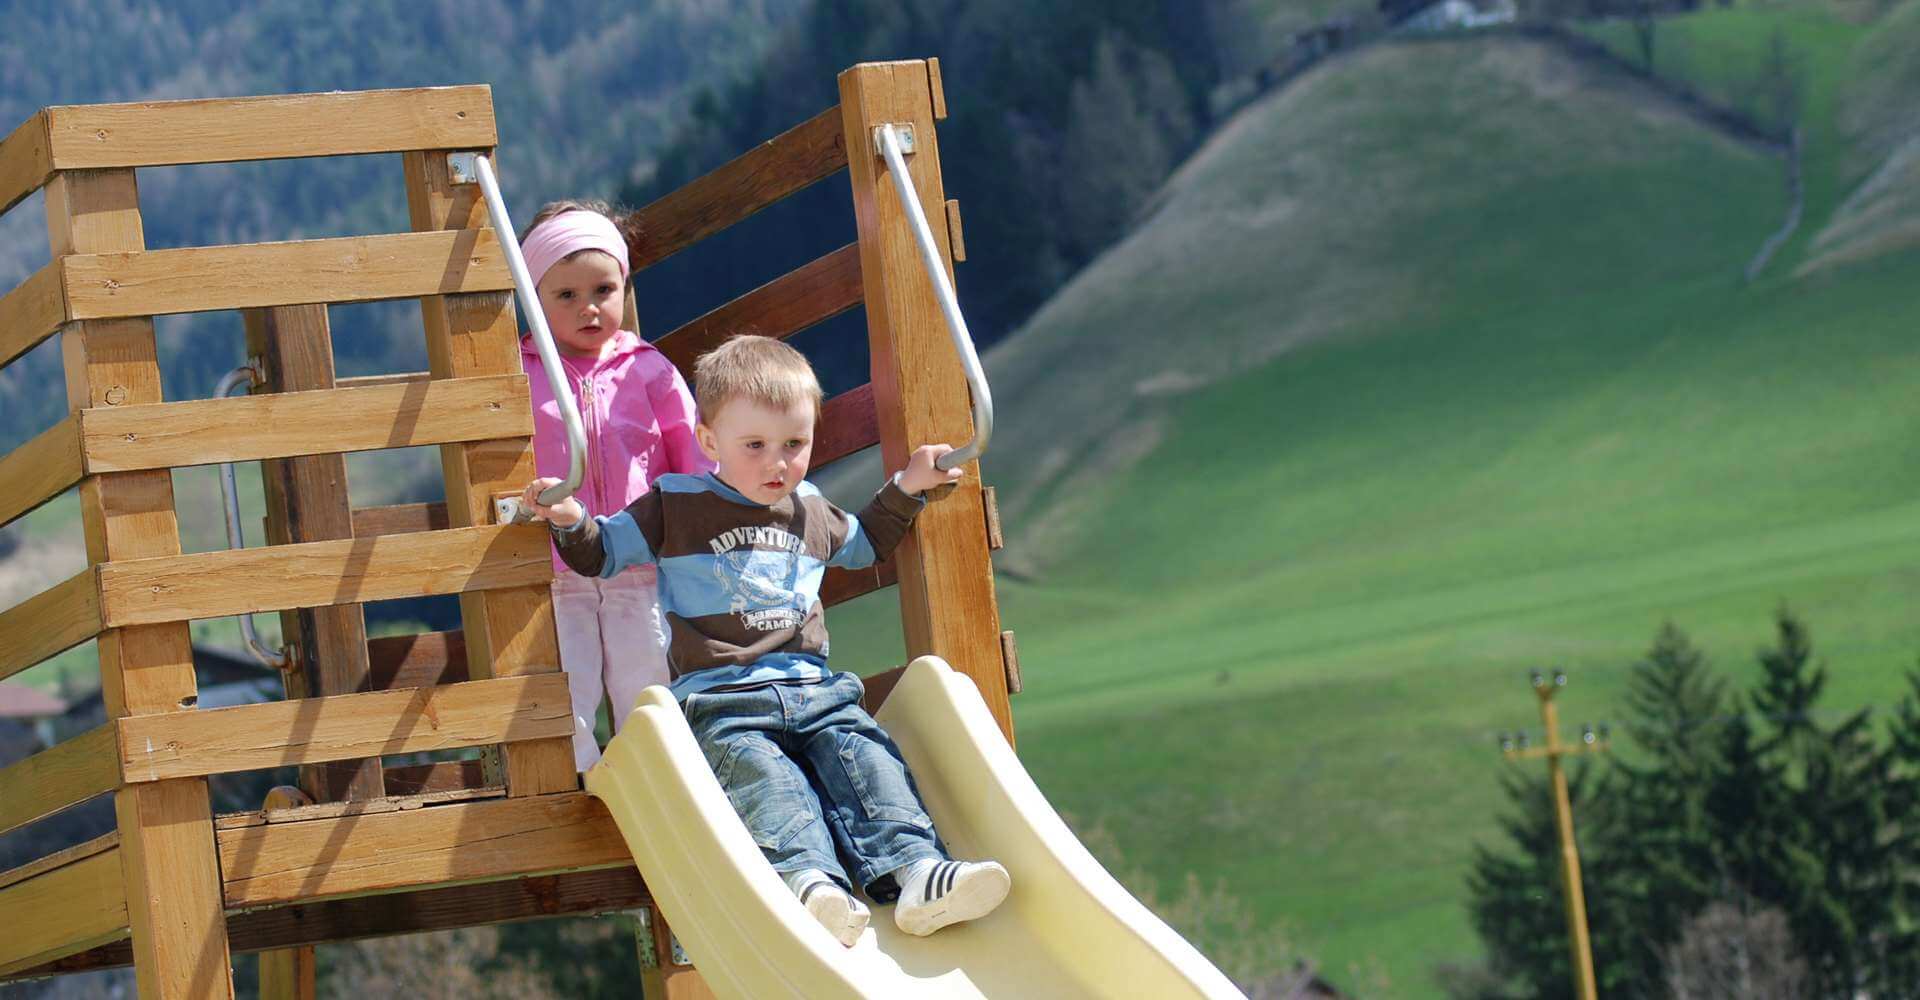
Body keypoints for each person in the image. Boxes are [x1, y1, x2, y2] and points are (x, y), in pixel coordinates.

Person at [522, 335, 1011, 946]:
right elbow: (604, 553)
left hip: (815, 689)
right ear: (709, 443)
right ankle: (812, 886)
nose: (776, 463)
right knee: (764, 778)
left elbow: (866, 543)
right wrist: (571, 522)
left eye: (794, 445)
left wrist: (909, 486)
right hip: (721, 699)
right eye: (754, 446)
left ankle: (915, 870)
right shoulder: (676, 505)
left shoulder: (809, 507)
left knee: (865, 757)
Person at [517, 201, 711, 772]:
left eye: (603, 290)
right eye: (565, 296)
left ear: (624, 288)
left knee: (647, 678)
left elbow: (692, 452)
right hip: (556, 570)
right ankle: (579, 782)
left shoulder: (647, 368)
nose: (589, 309)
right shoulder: (519, 373)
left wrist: (698, 527)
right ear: (533, 300)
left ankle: (655, 777)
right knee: (565, 685)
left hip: (638, 563)